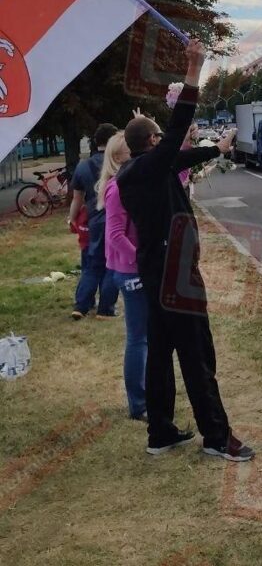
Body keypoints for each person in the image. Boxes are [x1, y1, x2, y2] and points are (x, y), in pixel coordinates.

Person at [118, 39, 254, 461]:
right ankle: (217, 436)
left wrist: (216, 149)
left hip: (155, 271)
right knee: (197, 354)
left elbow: (181, 157)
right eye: (160, 138)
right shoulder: (149, 167)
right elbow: (178, 132)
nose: (167, 142)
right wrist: (194, 69)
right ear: (152, 141)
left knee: (160, 354)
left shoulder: (138, 171)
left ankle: (160, 432)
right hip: (175, 276)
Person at [96, 131, 146, 421]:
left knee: (144, 337)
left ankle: (143, 397)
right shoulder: (117, 189)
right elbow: (115, 235)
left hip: (131, 269)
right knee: (138, 338)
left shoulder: (126, 183)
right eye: (132, 151)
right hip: (130, 272)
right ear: (118, 157)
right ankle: (138, 404)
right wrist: (140, 259)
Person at [69, 123, 119, 320]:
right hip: (116, 220)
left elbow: (77, 199)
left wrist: (72, 219)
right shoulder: (118, 164)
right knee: (113, 264)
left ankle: (81, 306)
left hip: (94, 222)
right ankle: (106, 309)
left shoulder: (83, 166)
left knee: (92, 264)